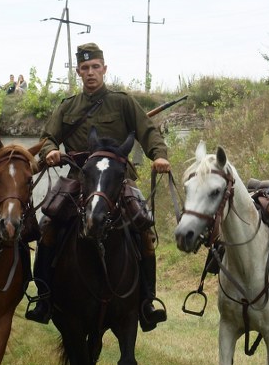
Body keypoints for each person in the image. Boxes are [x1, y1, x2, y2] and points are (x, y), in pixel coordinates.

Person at [26, 43, 170, 331]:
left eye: (95, 67)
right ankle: (44, 298)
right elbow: (48, 137)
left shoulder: (123, 102)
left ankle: (146, 302)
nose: (90, 72)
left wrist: (159, 155)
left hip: (117, 179)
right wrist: (51, 151)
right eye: (85, 68)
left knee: (144, 228)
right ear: (78, 72)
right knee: (47, 226)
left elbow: (148, 131)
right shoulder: (68, 106)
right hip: (78, 177)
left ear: (104, 69)